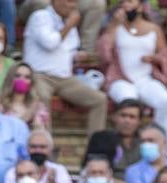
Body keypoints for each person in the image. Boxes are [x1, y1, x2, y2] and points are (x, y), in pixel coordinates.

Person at [23, 0, 108, 137]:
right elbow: (50, 43)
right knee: (41, 99)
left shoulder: (68, 22)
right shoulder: (40, 16)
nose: (73, 6)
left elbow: (68, 50)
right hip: (40, 75)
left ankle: (95, 150)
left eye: (75, 2)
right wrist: (69, 25)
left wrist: (77, 56)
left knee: (99, 99)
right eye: (69, 1)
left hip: (64, 78)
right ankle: (45, 150)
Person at [98, 0, 167, 143]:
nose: (126, 5)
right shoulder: (115, 27)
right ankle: (127, 143)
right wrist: (113, 26)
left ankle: (163, 142)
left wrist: (154, 58)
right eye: (124, 2)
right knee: (129, 100)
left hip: (146, 79)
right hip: (119, 79)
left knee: (166, 100)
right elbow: (104, 55)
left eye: (130, 1)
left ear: (140, 6)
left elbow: (165, 56)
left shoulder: (154, 29)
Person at [3, 128, 74, 183]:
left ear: (50, 149)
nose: (38, 150)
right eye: (33, 147)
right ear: (27, 148)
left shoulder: (59, 170)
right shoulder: (14, 172)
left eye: (42, 147)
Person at [0, 61, 48, 128]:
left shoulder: (38, 106)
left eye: (27, 77)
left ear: (31, 82)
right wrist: (29, 114)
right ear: (10, 78)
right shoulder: (0, 105)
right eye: (17, 76)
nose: (22, 80)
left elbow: (39, 132)